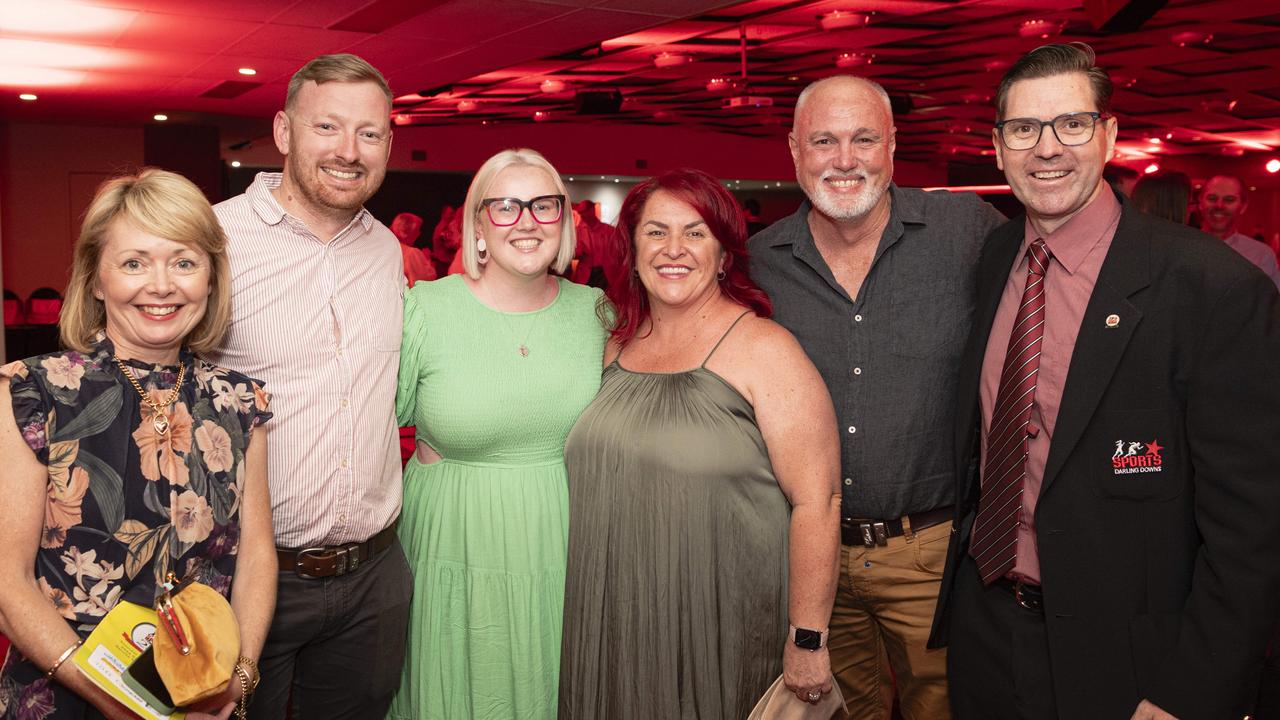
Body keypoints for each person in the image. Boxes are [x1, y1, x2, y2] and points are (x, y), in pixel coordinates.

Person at [930, 42, 1280, 719]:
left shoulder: (1212, 289)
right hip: (987, 632)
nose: (1047, 148)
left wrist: (1192, 690)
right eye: (1024, 129)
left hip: (1130, 659)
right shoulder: (996, 255)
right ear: (999, 148)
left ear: (1110, 135)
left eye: (1072, 124)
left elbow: (1255, 528)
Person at [749, 75, 1004, 720]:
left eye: (864, 139)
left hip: (932, 555)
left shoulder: (966, 230)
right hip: (807, 564)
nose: (844, 159)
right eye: (824, 141)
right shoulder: (756, 263)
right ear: (794, 150)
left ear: (893, 145)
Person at [560, 168, 842, 719]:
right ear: (633, 248)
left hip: (719, 618)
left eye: (695, 233)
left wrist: (808, 639)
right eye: (656, 231)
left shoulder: (765, 348)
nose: (674, 249)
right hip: (613, 612)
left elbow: (819, 501)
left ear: (723, 254)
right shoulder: (611, 342)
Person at [0, 169, 275, 719]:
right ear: (96, 280)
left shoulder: (240, 402)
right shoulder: (35, 392)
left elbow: (257, 559)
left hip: (203, 696)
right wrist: (116, 700)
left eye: (184, 261)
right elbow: (8, 581)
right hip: (66, 694)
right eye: (134, 262)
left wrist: (238, 679)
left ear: (211, 279)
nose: (162, 285)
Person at [206, 54, 411, 720]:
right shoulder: (214, 240)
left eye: (370, 134)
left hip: (373, 577)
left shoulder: (386, 251)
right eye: (328, 127)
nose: (349, 152)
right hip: (246, 575)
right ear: (285, 131)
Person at [387, 148, 605, 719]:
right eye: (505, 206)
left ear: (564, 223)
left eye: (543, 205)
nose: (527, 220)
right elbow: (372, 424)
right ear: (477, 227)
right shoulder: (426, 308)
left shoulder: (599, 314)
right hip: (452, 543)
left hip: (563, 543)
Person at [1199, 174, 1280, 289]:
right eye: (1212, 198)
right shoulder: (1181, 249)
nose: (1219, 205)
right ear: (1201, 203)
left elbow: (1273, 303)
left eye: (1229, 200)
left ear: (1243, 206)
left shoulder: (1262, 255)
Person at [390, 212, 437, 286]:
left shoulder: (389, 250)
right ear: (405, 232)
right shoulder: (411, 253)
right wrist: (427, 259)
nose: (418, 234)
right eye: (417, 230)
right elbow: (425, 280)